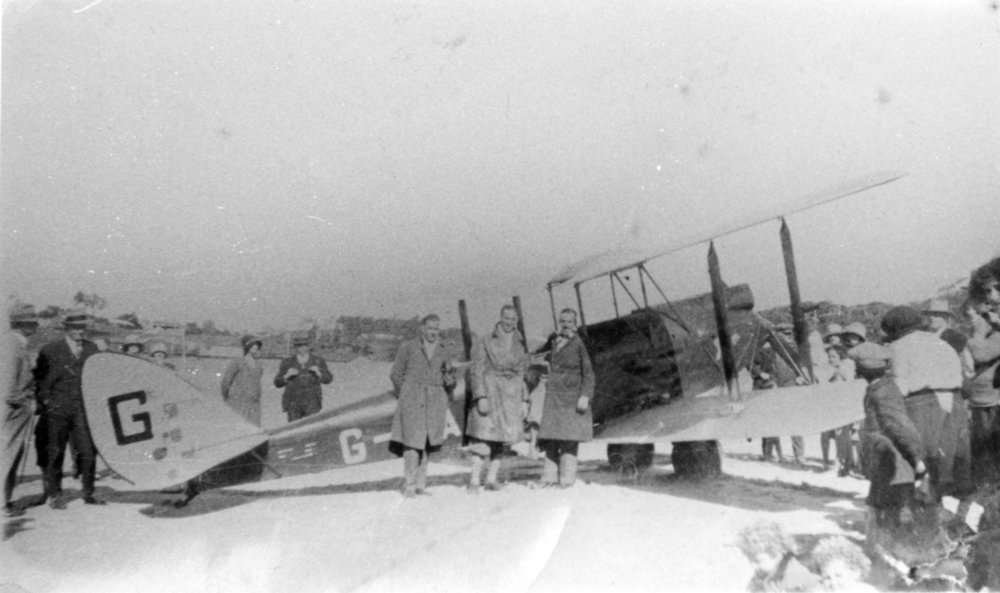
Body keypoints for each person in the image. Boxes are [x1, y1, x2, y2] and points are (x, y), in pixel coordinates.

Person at [881, 306, 972, 513]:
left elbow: (900, 386)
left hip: (923, 404)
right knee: (953, 465)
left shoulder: (898, 347)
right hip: (955, 404)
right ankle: (958, 516)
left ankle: (924, 517)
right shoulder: (943, 344)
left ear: (895, 330)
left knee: (922, 464)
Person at [850, 343, 925, 542]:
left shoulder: (883, 392)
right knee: (881, 509)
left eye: (857, 365)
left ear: (863, 369)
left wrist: (917, 459)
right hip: (885, 463)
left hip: (894, 465)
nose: (855, 369)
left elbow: (899, 427)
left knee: (897, 516)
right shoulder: (878, 388)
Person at [32, 313, 103, 508]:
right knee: (55, 452)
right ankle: (55, 494)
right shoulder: (50, 350)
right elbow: (39, 380)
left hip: (83, 410)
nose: (80, 331)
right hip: (57, 410)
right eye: (75, 328)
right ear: (67, 329)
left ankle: (88, 493)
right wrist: (46, 402)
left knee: (88, 452)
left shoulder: (92, 348)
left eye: (83, 328)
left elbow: (98, 377)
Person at [389, 314, 457, 498]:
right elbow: (396, 374)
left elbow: (450, 378)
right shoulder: (408, 347)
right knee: (411, 444)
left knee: (427, 443)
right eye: (430, 329)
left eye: (436, 329)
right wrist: (406, 395)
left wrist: (450, 382)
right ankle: (409, 486)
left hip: (435, 400)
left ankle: (421, 485)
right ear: (422, 329)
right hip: (412, 399)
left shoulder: (444, 350)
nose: (433, 332)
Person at [465, 305, 530, 493]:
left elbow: (522, 373)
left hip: (510, 395)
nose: (510, 322)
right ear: (500, 318)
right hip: (491, 391)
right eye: (506, 318)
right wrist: (480, 396)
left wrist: (524, 400)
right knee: (483, 437)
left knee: (502, 439)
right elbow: (476, 370)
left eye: (513, 319)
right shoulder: (485, 341)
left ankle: (491, 479)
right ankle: (474, 481)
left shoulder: (519, 345)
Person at [534, 308, 594, 488]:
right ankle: (549, 478)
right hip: (554, 397)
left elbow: (589, 373)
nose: (565, 325)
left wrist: (585, 396)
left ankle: (567, 480)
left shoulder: (579, 343)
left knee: (569, 439)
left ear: (574, 323)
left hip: (571, 397)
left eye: (569, 321)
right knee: (550, 438)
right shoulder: (554, 341)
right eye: (563, 321)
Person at [965, 260, 1000, 491]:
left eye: (997, 289)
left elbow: (980, 352)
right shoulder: (992, 322)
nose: (993, 298)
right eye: (987, 291)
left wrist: (977, 330)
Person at [2, 311, 37, 516]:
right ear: (21, 326)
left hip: (14, 410)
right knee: (7, 455)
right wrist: (25, 402)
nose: (35, 326)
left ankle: (6, 501)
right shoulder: (12, 347)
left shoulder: (14, 344)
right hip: (13, 412)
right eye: (31, 323)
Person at [736, 520, 822, 592]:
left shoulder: (793, 575)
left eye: (758, 561)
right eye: (750, 560)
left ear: (776, 553)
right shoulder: (766, 571)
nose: (753, 565)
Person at [274, 335, 333, 423]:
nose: (302, 348)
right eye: (299, 346)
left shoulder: (318, 360)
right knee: (293, 430)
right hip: (293, 402)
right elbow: (277, 383)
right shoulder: (287, 362)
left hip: (312, 402)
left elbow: (329, 379)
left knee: (313, 428)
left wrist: (319, 373)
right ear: (295, 347)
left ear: (308, 346)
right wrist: (286, 376)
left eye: (304, 345)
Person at [220, 334, 264, 426]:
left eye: (257, 345)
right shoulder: (237, 362)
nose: (255, 347)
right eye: (253, 345)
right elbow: (226, 382)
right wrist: (227, 398)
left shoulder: (259, 365)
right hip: (238, 403)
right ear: (247, 346)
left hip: (254, 404)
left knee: (254, 429)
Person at [811, 536, 875, 592]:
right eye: (827, 578)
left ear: (855, 573)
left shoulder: (865, 590)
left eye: (838, 576)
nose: (833, 583)